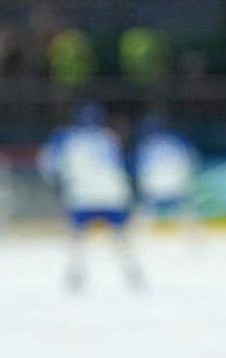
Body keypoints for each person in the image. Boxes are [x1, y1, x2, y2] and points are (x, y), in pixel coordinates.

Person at [38, 102, 145, 292]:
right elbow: (123, 165)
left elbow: (50, 166)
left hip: (82, 195)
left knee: (77, 236)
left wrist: (58, 188)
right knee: (120, 236)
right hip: (113, 194)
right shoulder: (109, 137)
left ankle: (76, 274)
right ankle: (132, 272)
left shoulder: (65, 137)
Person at [132, 114, 203, 238]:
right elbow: (192, 161)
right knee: (186, 212)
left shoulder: (145, 144)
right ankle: (196, 238)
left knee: (143, 213)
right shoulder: (177, 141)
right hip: (176, 185)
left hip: (154, 187)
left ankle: (138, 239)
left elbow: (139, 169)